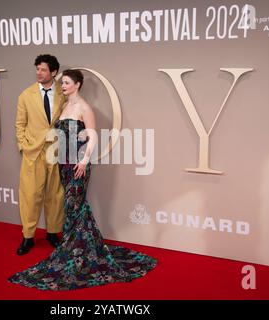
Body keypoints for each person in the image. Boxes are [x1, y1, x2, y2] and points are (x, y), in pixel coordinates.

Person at [8, 69, 157, 290]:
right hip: (63, 164)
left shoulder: (84, 107)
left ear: (77, 84)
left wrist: (85, 161)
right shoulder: (64, 106)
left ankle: (76, 252)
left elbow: (93, 135)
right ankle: (78, 248)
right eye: (62, 83)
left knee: (74, 205)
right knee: (73, 208)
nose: (63, 86)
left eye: (66, 83)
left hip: (78, 164)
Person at [15, 54, 65, 255]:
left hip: (56, 150)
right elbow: (20, 124)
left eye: (43, 70)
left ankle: (53, 233)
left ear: (53, 72)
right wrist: (23, 145)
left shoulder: (64, 93)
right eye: (37, 69)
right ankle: (28, 237)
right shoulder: (25, 95)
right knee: (30, 195)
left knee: (55, 195)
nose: (39, 73)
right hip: (33, 152)